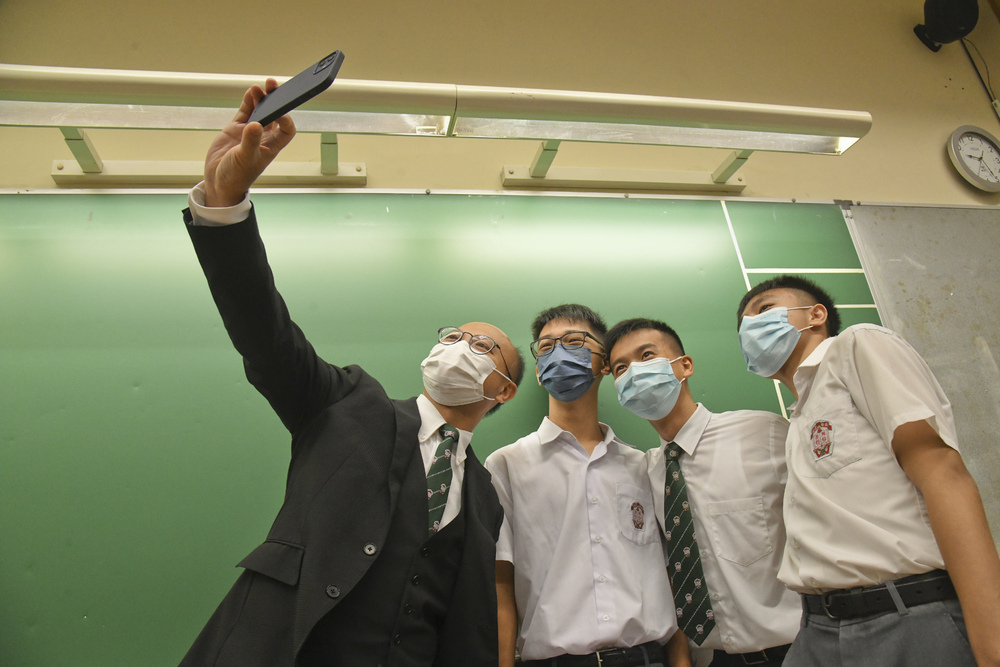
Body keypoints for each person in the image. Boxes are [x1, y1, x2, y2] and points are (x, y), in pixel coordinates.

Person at [178, 79, 525, 667]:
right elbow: (266, 336)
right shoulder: (349, 403)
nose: (459, 347)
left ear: (504, 391)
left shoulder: (486, 495)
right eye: (453, 336)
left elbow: (466, 622)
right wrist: (225, 206)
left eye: (482, 346)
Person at [736, 274, 1000, 667]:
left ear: (815, 315)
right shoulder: (799, 417)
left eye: (764, 309)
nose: (751, 326)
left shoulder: (856, 346)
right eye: (744, 325)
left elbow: (942, 471)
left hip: (906, 615)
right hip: (818, 628)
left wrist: (992, 637)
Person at [485, 305, 687, 667]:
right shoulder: (507, 466)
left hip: (646, 656)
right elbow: (501, 583)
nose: (558, 353)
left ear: (605, 364)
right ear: (538, 371)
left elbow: (676, 571)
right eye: (546, 347)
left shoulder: (644, 466)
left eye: (575, 341)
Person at [604, 318, 800, 667]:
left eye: (647, 355)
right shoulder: (648, 472)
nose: (634, 371)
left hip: (795, 650)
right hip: (714, 658)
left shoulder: (763, 433)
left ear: (685, 366)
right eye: (620, 368)